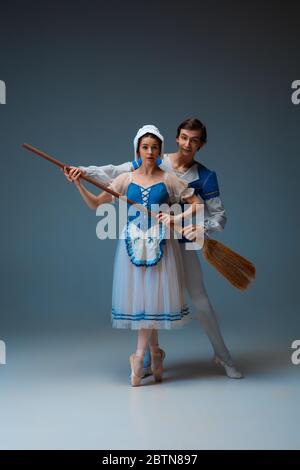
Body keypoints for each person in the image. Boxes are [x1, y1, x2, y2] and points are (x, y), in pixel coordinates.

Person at [64, 118, 243, 379]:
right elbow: (115, 172)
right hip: (147, 241)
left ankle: (223, 356)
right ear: (176, 138)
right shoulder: (157, 159)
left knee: (200, 299)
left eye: (194, 140)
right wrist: (80, 171)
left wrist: (202, 229)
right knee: (148, 296)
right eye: (183, 137)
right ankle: (148, 358)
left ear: (201, 144)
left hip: (181, 241)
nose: (187, 144)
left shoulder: (205, 177)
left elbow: (218, 215)